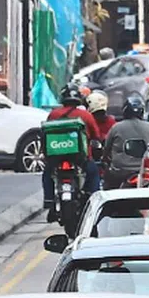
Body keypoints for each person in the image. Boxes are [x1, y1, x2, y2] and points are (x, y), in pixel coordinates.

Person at [43, 85, 101, 222]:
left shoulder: (54, 114)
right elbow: (96, 135)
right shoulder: (85, 115)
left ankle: (49, 201)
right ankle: (93, 201)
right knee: (93, 173)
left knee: (47, 173)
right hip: (80, 158)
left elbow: (45, 135)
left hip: (56, 158)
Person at [102, 95, 149, 190]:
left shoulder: (116, 127)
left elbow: (107, 149)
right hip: (146, 171)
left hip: (121, 171)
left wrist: (105, 159)